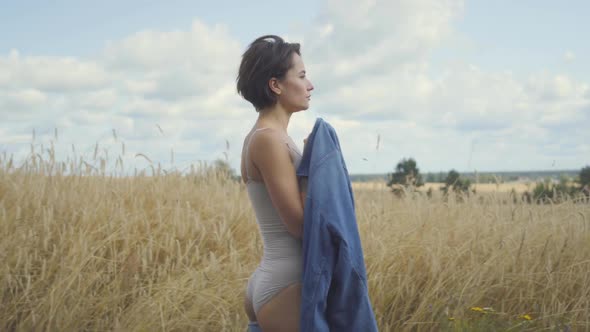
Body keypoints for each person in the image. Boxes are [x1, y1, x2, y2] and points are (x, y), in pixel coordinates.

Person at [236, 35, 314, 332]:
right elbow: (300, 226)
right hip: (285, 283)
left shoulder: (269, 136)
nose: (310, 85)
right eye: (302, 76)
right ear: (276, 85)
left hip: (277, 279)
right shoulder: (268, 139)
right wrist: (310, 167)